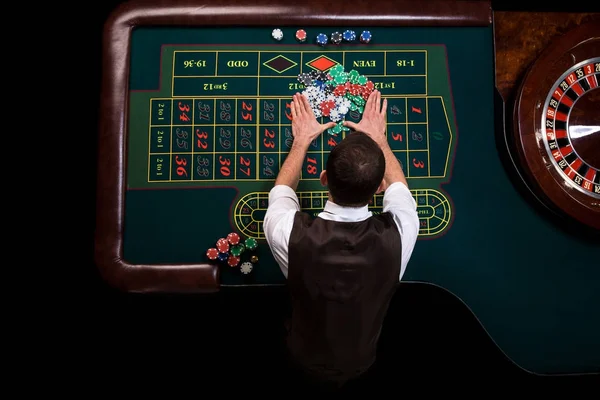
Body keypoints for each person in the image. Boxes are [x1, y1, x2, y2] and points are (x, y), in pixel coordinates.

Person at [263, 89, 419, 391]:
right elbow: (400, 186)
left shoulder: (288, 234)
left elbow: (282, 189)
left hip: (299, 355)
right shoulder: (400, 234)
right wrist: (380, 139)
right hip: (365, 361)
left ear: (323, 179)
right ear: (378, 190)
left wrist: (301, 140)